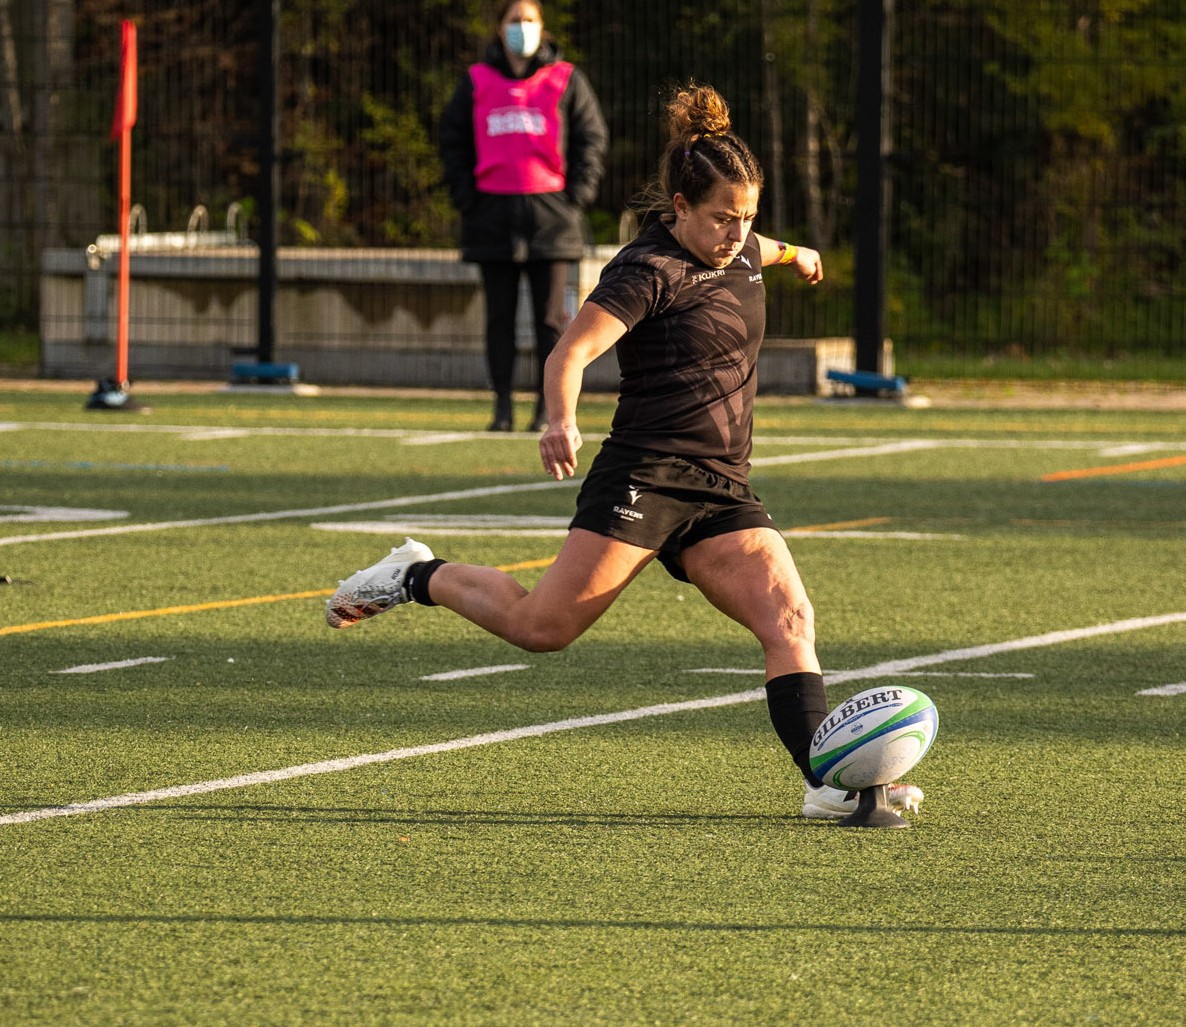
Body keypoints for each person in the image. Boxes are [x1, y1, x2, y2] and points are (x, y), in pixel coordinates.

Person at [327, 84, 922, 821]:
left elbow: (764, 252)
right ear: (679, 208)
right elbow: (570, 352)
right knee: (540, 629)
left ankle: (827, 787)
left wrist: (799, 254)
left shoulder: (738, 249)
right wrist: (558, 420)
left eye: (748, 217)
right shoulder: (646, 271)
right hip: (645, 478)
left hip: (721, 487)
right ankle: (416, 574)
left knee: (789, 621)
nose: (737, 233)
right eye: (721, 218)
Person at [438, 0, 609, 432]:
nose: (522, 29)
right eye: (514, 20)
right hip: (490, 215)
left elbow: (592, 138)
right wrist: (466, 197)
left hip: (552, 218)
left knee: (552, 318)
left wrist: (575, 197)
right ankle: (501, 407)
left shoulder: (566, 78)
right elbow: (452, 140)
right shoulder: (476, 80)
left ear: (542, 27)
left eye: (530, 20)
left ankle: (546, 409)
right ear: (499, 27)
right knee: (499, 318)